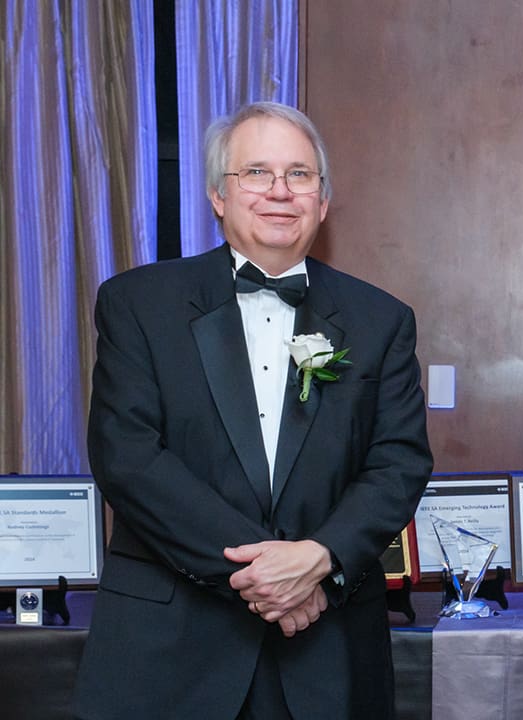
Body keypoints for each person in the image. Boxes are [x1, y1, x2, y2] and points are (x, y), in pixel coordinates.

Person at [73, 101, 432, 719]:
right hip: (170, 649)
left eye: (300, 175)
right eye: (257, 173)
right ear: (218, 195)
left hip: (328, 653)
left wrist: (319, 558)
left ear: (322, 200)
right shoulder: (138, 304)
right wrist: (273, 575)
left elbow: (397, 463)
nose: (280, 192)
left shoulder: (381, 320)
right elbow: (128, 457)